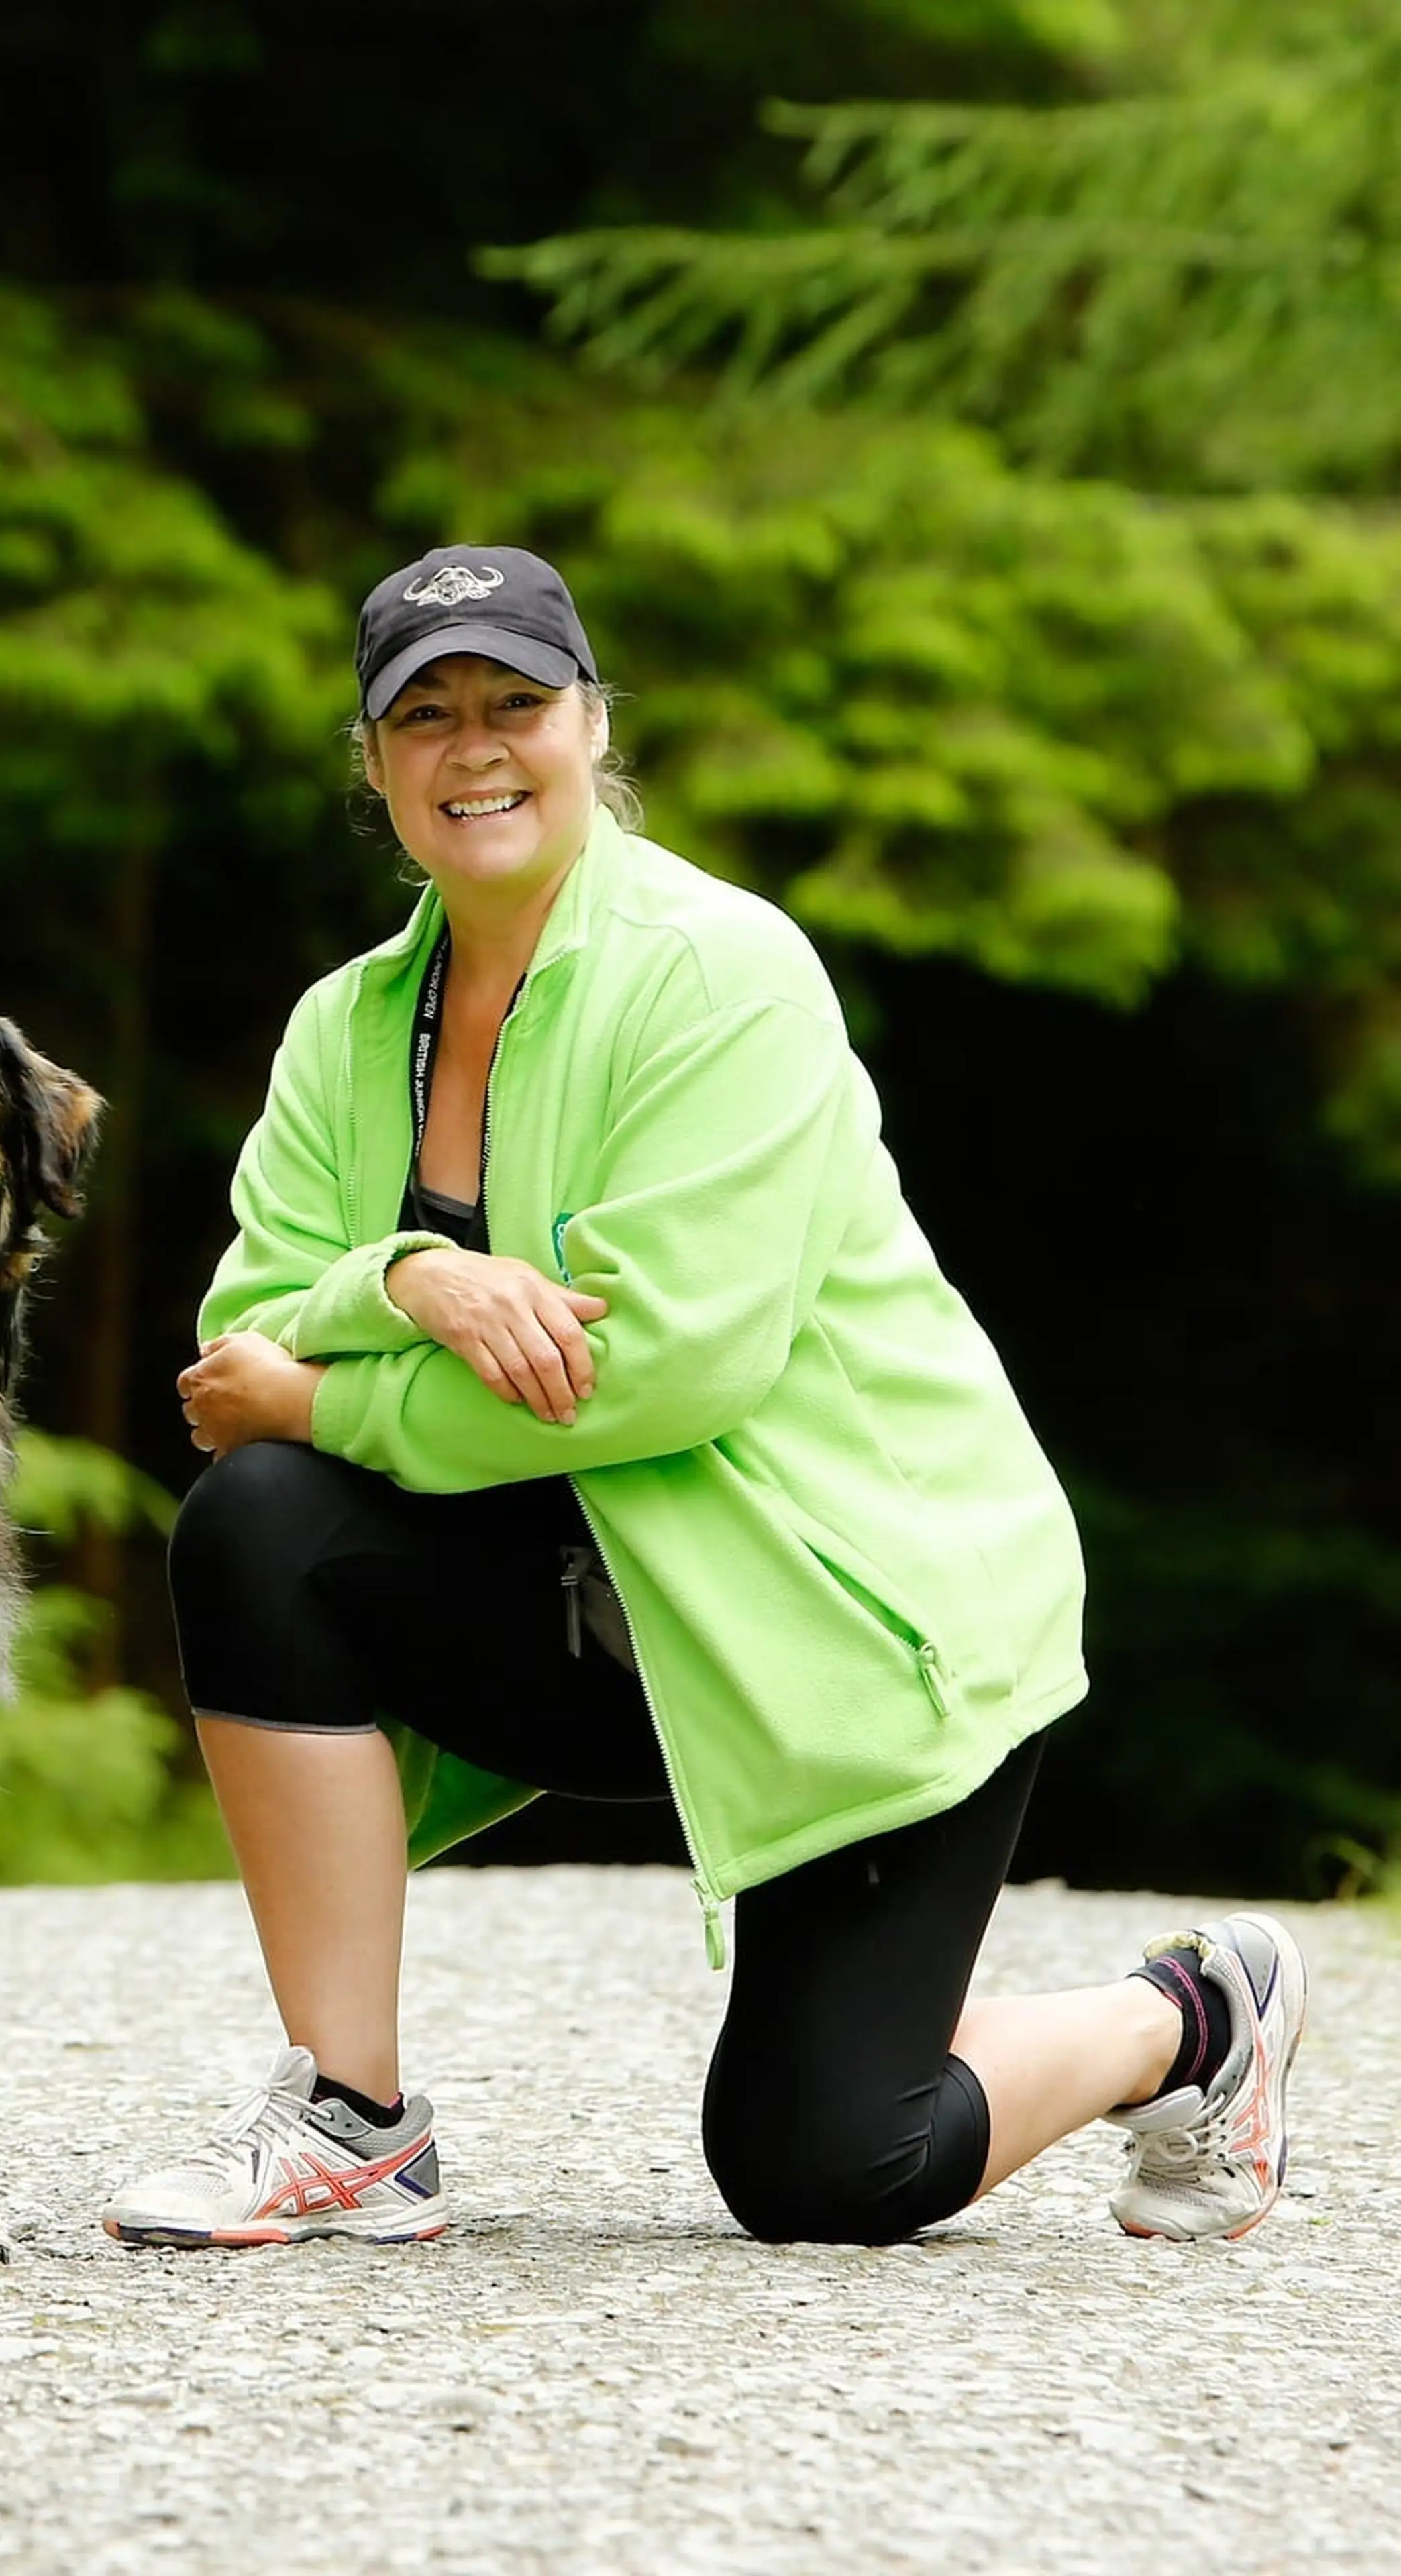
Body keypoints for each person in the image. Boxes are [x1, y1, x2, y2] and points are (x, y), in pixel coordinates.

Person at [99, 543, 1307, 2251]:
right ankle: (350, 2128)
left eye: (517, 703)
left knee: (825, 2168)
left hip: (847, 1626)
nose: (476, 749)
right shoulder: (345, 1025)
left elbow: (671, 1370)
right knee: (258, 1524)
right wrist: (411, 1280)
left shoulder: (723, 974)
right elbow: (245, 1329)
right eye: (424, 716)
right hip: (605, 1621)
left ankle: (1188, 2016)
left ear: (593, 722)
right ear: (371, 767)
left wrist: (339, 1394)